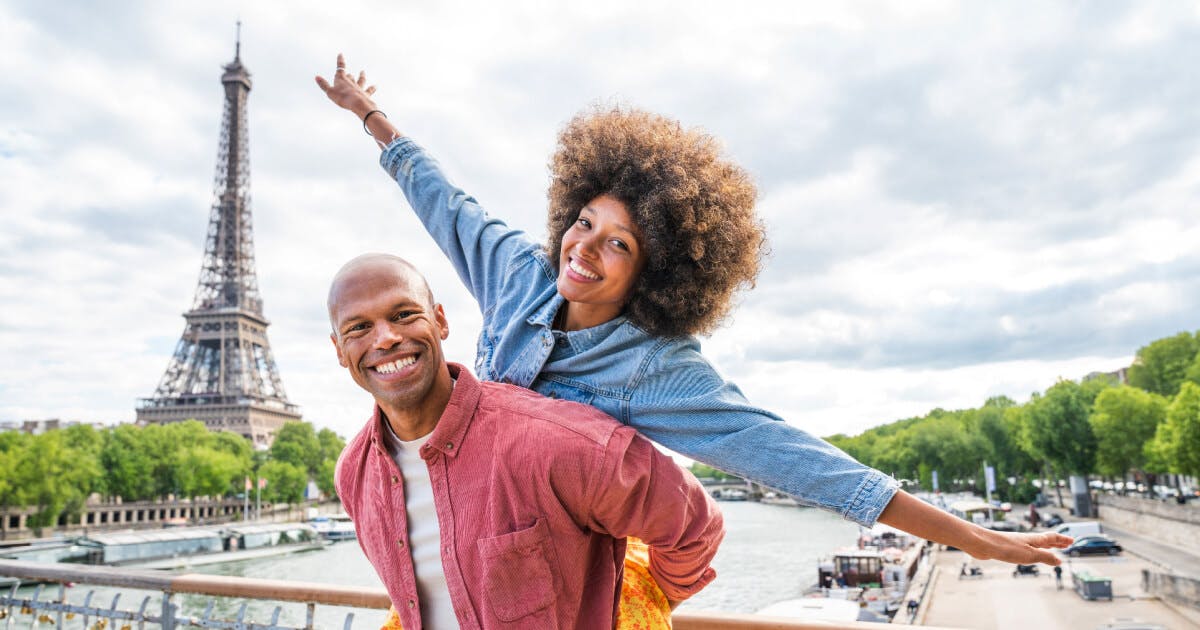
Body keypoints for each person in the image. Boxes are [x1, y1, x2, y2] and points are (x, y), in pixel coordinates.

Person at [315, 53, 1071, 572]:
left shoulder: (656, 368)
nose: (585, 250)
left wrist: (971, 538)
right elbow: (444, 201)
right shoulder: (518, 272)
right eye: (584, 222)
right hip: (476, 537)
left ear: (657, 272)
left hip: (565, 558)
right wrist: (370, 114)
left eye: (620, 245)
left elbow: (801, 462)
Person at [329, 254, 724, 629]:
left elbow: (694, 526)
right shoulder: (354, 475)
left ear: (440, 321)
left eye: (403, 314)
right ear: (339, 351)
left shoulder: (554, 440)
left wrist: (637, 603)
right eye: (359, 328)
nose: (386, 338)